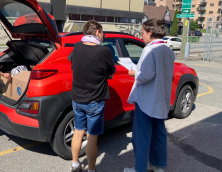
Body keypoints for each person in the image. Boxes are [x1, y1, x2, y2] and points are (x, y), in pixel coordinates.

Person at [124, 19, 175, 172]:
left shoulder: (149, 50)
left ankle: (140, 168)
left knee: (141, 137)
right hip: (161, 100)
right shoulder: (168, 50)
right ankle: (158, 166)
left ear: (150, 32)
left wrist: (134, 72)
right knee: (159, 135)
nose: (142, 37)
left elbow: (146, 75)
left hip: (147, 101)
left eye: (142, 33)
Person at [69, 20, 116, 172]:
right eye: (102, 33)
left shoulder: (76, 47)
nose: (103, 36)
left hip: (77, 98)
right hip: (94, 101)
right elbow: (111, 73)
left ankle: (75, 164)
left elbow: (73, 65)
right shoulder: (104, 51)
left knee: (78, 131)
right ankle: (91, 169)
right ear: (97, 32)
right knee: (92, 136)